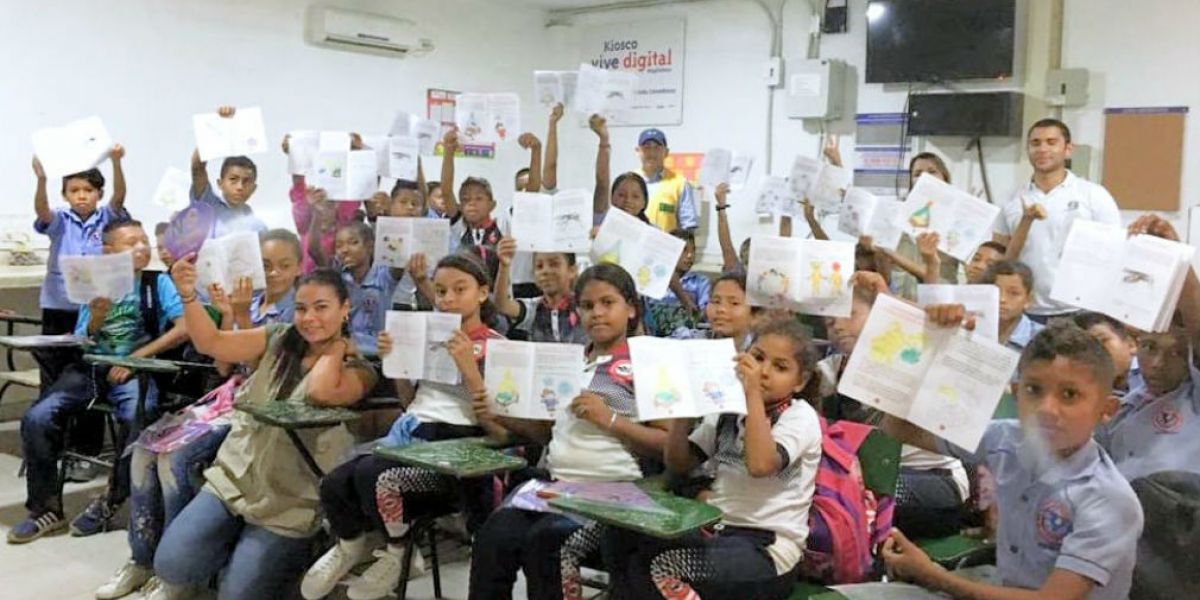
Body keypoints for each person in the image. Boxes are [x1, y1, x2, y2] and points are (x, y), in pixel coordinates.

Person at [95, 230, 303, 599]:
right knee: (143, 451)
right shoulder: (251, 300)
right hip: (223, 399)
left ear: (299, 267)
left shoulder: (298, 312)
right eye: (266, 265)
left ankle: (177, 575)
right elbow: (223, 365)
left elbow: (264, 372)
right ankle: (142, 559)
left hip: (254, 412)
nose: (273, 274)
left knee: (175, 461)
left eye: (284, 266)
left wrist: (238, 315)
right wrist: (228, 315)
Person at [151, 266, 377, 600]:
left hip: (290, 502)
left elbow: (320, 393)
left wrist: (336, 346)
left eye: (322, 307)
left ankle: (280, 561)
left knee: (237, 596)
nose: (309, 317)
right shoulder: (278, 337)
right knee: (171, 566)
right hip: (234, 480)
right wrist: (188, 295)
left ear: (345, 309)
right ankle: (234, 552)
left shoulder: (359, 370)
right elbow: (210, 342)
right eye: (301, 308)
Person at [880, 317, 1143, 599]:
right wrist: (933, 352)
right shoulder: (1004, 438)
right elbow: (899, 428)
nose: (1046, 409)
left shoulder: (1109, 499)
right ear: (1016, 394)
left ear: (1107, 409)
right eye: (1033, 390)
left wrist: (933, 576)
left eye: (1069, 394)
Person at [300, 253, 506, 600]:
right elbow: (410, 402)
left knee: (375, 477)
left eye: (460, 289)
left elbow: (497, 419)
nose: (449, 299)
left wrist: (469, 366)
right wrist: (397, 363)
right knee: (335, 481)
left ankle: (399, 552)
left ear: (482, 293)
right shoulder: (432, 334)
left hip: (458, 441)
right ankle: (349, 547)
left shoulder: (497, 344)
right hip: (415, 426)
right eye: (440, 291)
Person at [469, 263, 671, 600]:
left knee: (547, 541)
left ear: (631, 308)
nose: (598, 313)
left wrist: (608, 419)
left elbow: (668, 447)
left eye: (608, 303)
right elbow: (547, 434)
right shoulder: (570, 362)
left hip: (617, 492)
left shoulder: (649, 363)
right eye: (588, 306)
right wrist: (502, 416)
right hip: (557, 485)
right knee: (493, 536)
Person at [602, 317, 822, 599]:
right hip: (717, 532)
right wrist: (682, 411)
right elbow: (679, 464)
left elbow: (760, 465)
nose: (763, 371)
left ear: (800, 381)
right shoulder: (728, 409)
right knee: (620, 538)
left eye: (780, 367)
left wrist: (752, 393)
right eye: (757, 358)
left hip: (768, 549)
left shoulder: (799, 417)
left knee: (663, 567)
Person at [11, 220, 187, 544]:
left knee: (136, 416)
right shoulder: (93, 284)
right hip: (91, 370)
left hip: (134, 370)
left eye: (144, 241)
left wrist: (133, 359)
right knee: (38, 417)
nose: (141, 248)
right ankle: (44, 509)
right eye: (130, 243)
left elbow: (183, 327)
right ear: (108, 252)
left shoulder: (156, 283)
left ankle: (112, 499)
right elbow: (83, 338)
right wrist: (97, 317)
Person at [994, 118, 1120, 321]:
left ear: (1068, 149)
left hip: (1078, 310)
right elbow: (998, 257)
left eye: (1051, 142)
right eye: (1035, 143)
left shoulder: (1094, 195)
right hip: (1025, 312)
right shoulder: (1010, 198)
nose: (1042, 149)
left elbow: (1113, 253)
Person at [31, 146, 128, 393]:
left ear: (99, 193)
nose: (82, 196)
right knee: (53, 366)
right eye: (74, 191)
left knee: (87, 368)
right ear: (65, 195)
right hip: (58, 305)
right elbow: (42, 211)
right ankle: (51, 422)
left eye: (88, 190)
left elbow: (119, 197)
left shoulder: (106, 217)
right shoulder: (60, 219)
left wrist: (116, 163)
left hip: (93, 309)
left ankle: (86, 428)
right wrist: (41, 179)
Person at [284, 133, 362, 274]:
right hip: (305, 285)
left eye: (330, 204)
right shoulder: (305, 224)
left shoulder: (343, 225)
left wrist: (356, 154)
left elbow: (361, 187)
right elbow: (298, 184)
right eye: (319, 203)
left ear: (338, 206)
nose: (324, 208)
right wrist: (294, 153)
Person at [189, 106, 267, 236]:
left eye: (246, 181)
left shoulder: (258, 227)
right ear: (220, 183)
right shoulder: (209, 205)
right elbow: (197, 167)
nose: (240, 187)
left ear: (254, 188)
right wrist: (218, 124)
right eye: (233, 179)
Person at [494, 238, 586, 344]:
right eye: (539, 266)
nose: (545, 271)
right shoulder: (534, 308)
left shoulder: (584, 305)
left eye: (554, 264)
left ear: (572, 270)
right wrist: (504, 266)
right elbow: (502, 305)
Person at [334, 222, 397, 354]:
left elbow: (398, 258)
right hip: (347, 353)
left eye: (353, 242)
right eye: (339, 245)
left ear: (369, 246)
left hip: (379, 355)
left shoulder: (383, 275)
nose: (344, 250)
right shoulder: (338, 280)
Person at [440, 131, 505, 252]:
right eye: (465, 199)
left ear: (492, 204)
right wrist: (448, 152)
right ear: (460, 205)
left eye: (479, 198)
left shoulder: (502, 227)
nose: (472, 203)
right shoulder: (459, 228)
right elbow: (446, 191)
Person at [646, 229, 711, 336]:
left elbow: (705, 314)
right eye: (683, 250)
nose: (690, 255)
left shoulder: (700, 283)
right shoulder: (652, 280)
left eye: (693, 250)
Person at [634, 128, 698, 232]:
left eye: (657, 148)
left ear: (666, 152)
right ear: (637, 151)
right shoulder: (628, 181)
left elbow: (688, 227)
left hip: (665, 246)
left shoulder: (680, 184)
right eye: (647, 147)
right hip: (633, 245)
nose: (652, 153)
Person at [982, 260, 1044, 353]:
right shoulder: (971, 327)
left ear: (1028, 300)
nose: (1002, 299)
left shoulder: (1042, 340)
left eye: (1014, 293)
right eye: (996, 291)